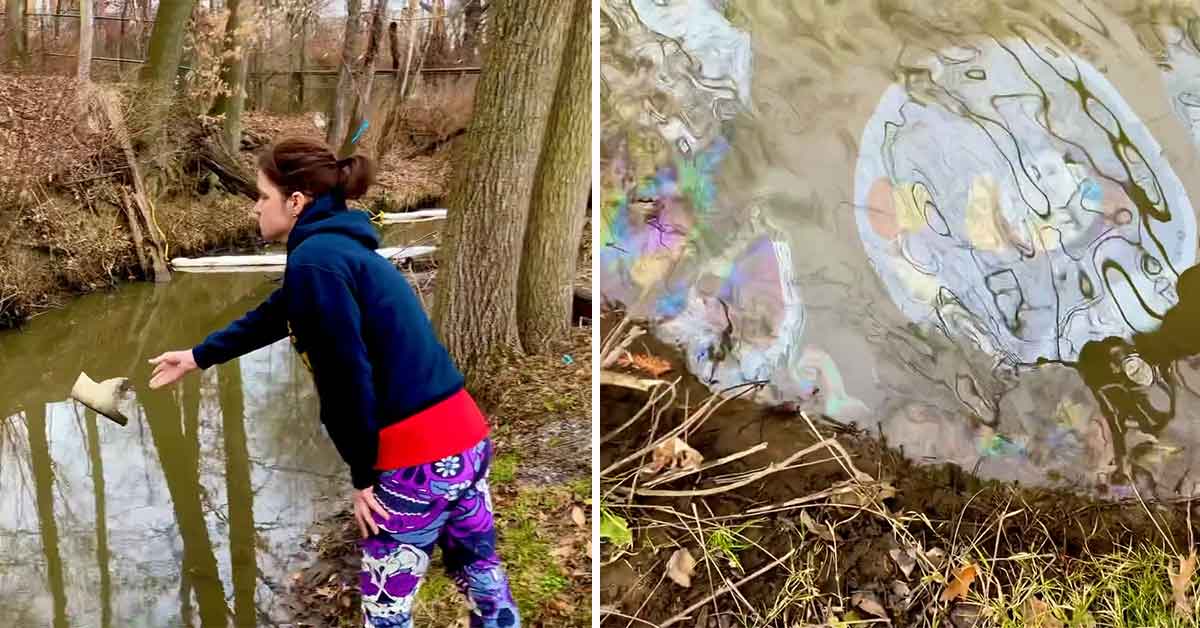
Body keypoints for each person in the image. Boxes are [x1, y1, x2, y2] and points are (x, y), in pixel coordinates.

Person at [148, 137, 520, 628]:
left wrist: (363, 477)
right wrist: (198, 356)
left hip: (417, 462)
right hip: (465, 440)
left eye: (262, 196)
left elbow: (346, 380)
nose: (256, 208)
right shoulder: (337, 250)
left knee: (386, 613)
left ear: (295, 200)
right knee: (478, 570)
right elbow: (279, 312)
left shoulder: (318, 261)